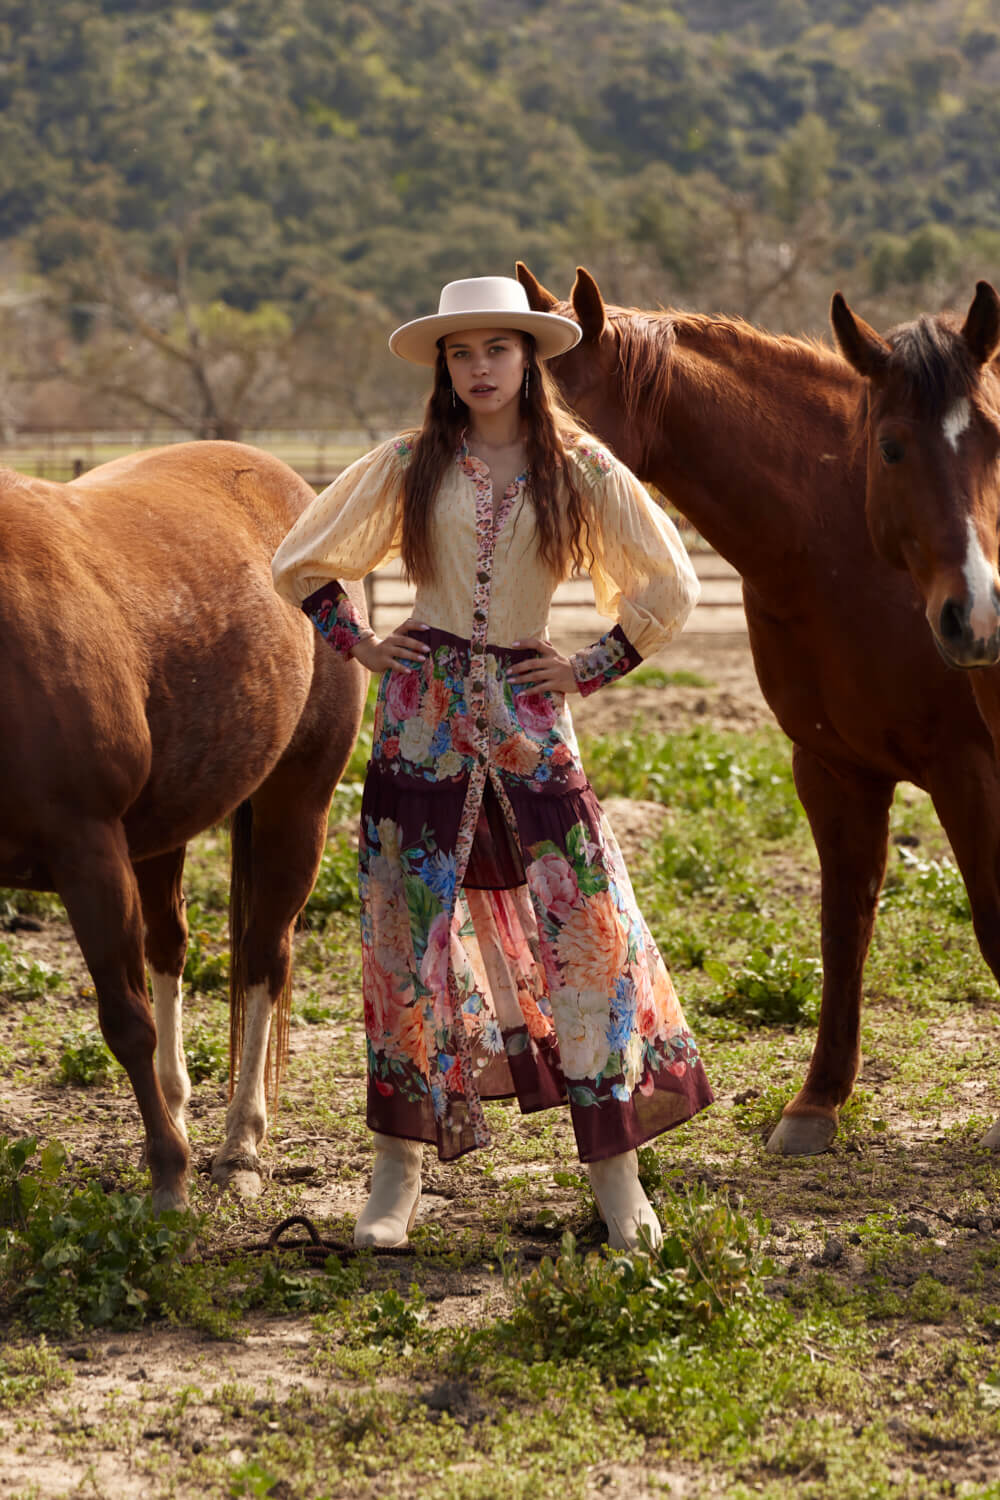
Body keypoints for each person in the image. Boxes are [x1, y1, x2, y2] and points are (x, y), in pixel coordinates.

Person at [271, 275, 712, 1252]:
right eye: (460, 352)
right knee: (406, 939)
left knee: (586, 935)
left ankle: (617, 1179)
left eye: (496, 350)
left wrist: (592, 663)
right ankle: (396, 1181)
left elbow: (669, 582)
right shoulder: (407, 463)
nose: (478, 367)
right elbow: (299, 559)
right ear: (445, 365)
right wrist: (360, 640)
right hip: (418, 728)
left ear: (527, 359)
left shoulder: (580, 469)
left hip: (530, 724)